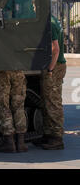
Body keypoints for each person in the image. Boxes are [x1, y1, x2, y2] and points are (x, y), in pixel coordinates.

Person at [38, 15, 67, 150]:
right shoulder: (53, 19)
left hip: (54, 66)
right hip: (55, 65)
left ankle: (57, 138)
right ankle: (48, 134)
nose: (33, 7)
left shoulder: (49, 23)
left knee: (53, 102)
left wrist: (50, 69)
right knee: (47, 101)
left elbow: (55, 49)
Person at [0, 70, 28, 153]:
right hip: (18, 69)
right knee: (19, 106)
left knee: (3, 105)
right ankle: (21, 143)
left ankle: (9, 141)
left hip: (2, 69)